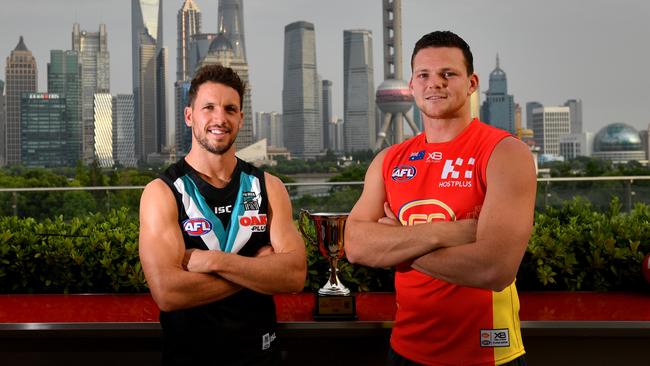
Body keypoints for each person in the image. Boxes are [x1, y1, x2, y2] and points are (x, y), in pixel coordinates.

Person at [345, 31, 536, 366]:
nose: (435, 83)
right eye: (424, 75)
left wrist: (396, 243)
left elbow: (494, 268)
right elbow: (355, 245)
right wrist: (445, 232)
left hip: (488, 353)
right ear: (412, 86)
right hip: (406, 349)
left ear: (472, 82)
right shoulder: (389, 160)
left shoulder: (504, 153)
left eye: (448, 74)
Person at [139, 64, 306, 365]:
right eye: (209, 108)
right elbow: (168, 292)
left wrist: (214, 262)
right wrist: (257, 270)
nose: (220, 118)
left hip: (261, 356)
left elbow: (294, 274)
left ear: (241, 119)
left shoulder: (269, 187)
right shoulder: (162, 192)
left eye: (230, 109)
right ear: (189, 116)